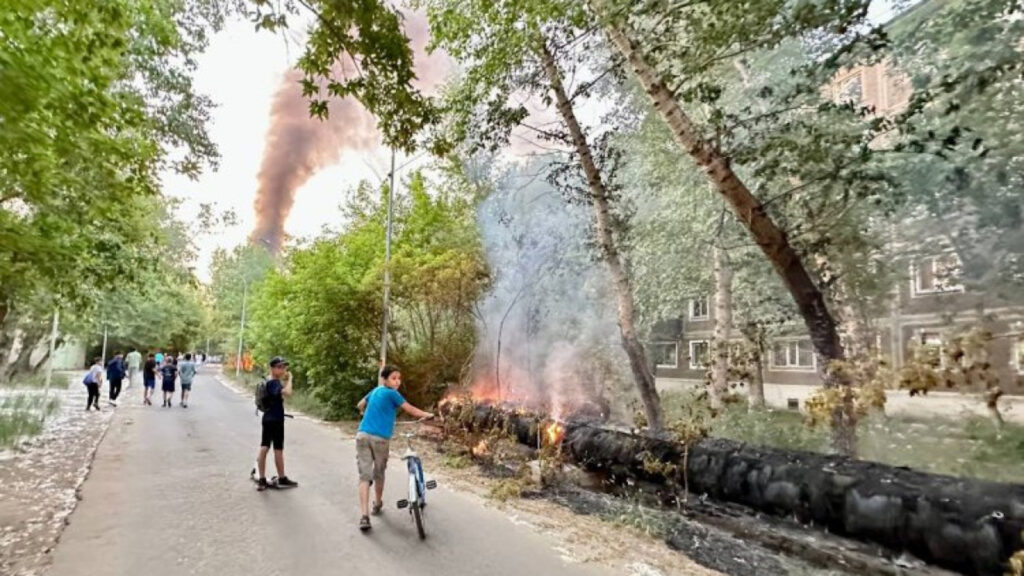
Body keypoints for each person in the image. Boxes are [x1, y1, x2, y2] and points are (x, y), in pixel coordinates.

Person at [355, 365, 434, 531]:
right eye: (393, 378)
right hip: (380, 439)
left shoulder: (375, 391)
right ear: (385, 379)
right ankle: (376, 504)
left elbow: (359, 405)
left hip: (362, 435)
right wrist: (428, 415)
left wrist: (366, 413)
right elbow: (410, 409)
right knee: (379, 473)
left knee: (364, 476)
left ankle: (364, 516)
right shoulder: (393, 394)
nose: (397, 381)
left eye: (399, 378)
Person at [256, 357, 297, 491]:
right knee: (270, 448)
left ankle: (274, 477)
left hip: (270, 418)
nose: (283, 369)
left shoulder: (270, 380)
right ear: (273, 368)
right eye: (280, 367)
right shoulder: (274, 382)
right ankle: (273, 478)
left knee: (271, 447)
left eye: (284, 367)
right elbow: (288, 393)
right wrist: (290, 379)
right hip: (274, 419)